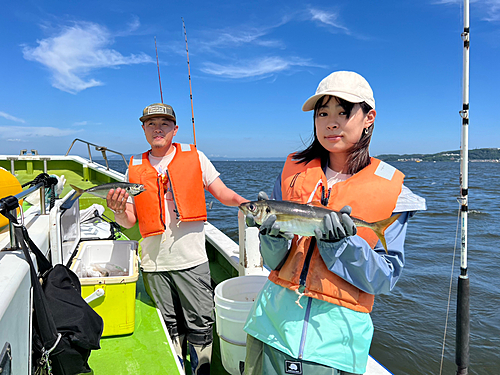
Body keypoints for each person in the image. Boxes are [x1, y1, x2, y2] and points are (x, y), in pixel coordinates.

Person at [243, 71, 426, 374]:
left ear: (369, 117)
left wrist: (342, 247)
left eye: (343, 112)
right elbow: (276, 264)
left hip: (334, 347)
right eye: (323, 113)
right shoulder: (291, 175)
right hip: (270, 329)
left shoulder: (392, 191)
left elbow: (383, 280)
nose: (331, 123)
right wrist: (272, 239)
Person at [106, 103, 248, 375]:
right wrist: (117, 210)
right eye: (151, 123)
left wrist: (246, 204)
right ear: (144, 129)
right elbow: (130, 220)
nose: (157, 128)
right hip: (154, 263)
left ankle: (200, 369)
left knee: (201, 323)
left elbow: (223, 193)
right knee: (168, 325)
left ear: (175, 128)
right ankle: (177, 366)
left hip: (191, 260)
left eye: (164, 123)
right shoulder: (133, 167)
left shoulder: (196, 157)